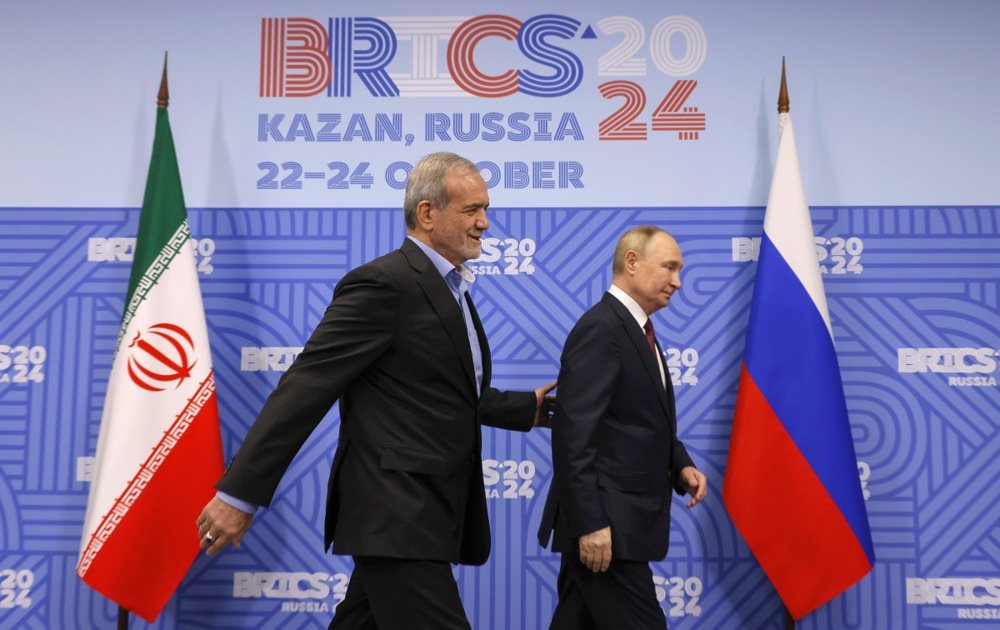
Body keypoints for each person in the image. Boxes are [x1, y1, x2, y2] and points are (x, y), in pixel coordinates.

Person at [196, 152, 555, 629]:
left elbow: (444, 391)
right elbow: (305, 388)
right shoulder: (385, 284)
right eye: (471, 210)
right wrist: (239, 495)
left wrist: (522, 409)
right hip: (396, 515)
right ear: (427, 214)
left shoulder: (450, 289)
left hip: (422, 515)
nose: (485, 223)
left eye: (485, 209)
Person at [537, 226, 708, 629]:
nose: (678, 282)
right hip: (607, 529)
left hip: (620, 527)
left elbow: (636, 421)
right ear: (631, 263)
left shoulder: (636, 330)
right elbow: (572, 436)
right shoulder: (603, 329)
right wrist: (591, 524)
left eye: (679, 270)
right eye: (669, 267)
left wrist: (679, 465)